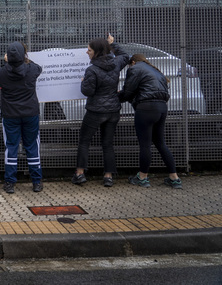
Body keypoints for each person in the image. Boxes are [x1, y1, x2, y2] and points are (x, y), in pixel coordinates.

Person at [72, 34, 129, 187]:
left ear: (96, 52)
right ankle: (108, 176)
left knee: (84, 140)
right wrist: (113, 43)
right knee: (107, 143)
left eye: (89, 50)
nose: (87, 52)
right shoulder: (116, 63)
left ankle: (80, 173)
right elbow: (125, 55)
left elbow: (88, 92)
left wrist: (84, 83)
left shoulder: (92, 70)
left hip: (95, 111)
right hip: (113, 110)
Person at [119, 54, 182, 189]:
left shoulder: (135, 69)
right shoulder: (155, 71)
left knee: (145, 145)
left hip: (146, 109)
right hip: (162, 108)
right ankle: (174, 178)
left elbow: (128, 91)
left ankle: (142, 177)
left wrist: (116, 96)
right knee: (160, 143)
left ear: (133, 62)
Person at [0, 42, 44, 194]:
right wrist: (24, 59)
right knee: (32, 146)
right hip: (30, 114)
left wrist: (7, 63)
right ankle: (36, 182)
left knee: (11, 147)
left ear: (7, 57)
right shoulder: (32, 70)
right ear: (24, 56)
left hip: (10, 115)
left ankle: (9, 183)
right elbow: (39, 68)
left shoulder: (1, 73)